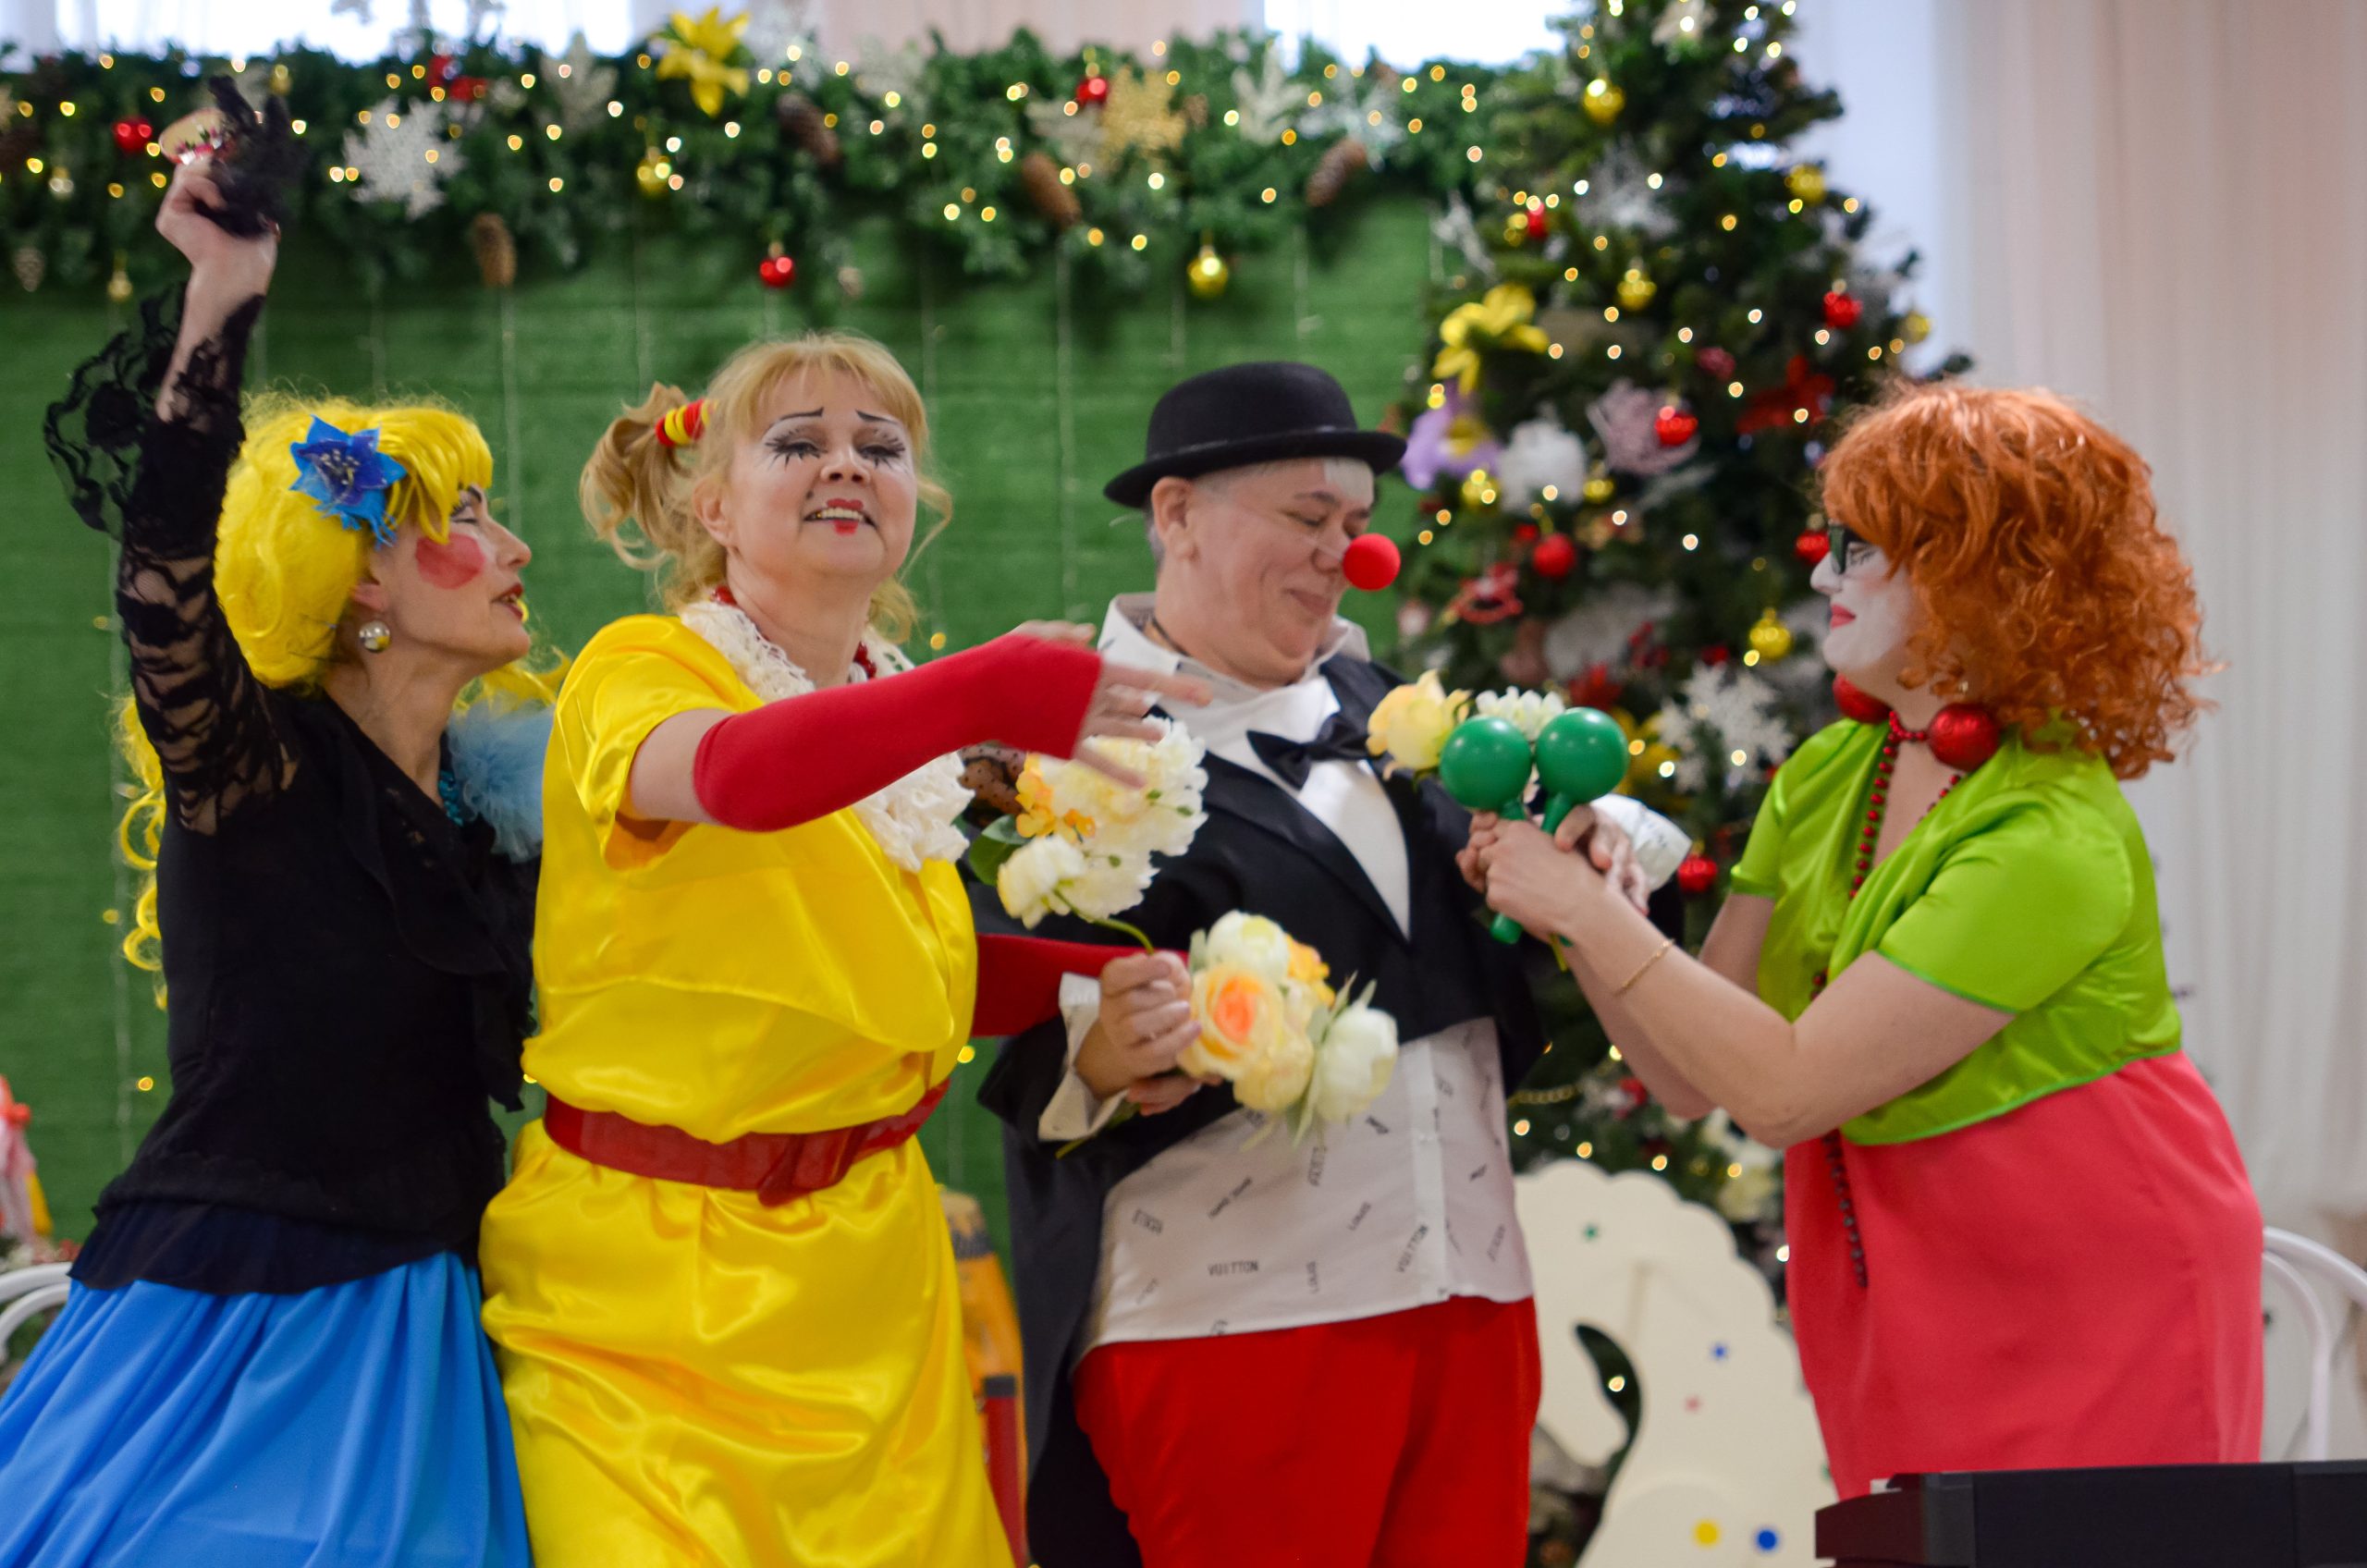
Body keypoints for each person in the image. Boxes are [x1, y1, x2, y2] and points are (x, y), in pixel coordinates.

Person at [473, 333, 1205, 1567]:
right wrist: (979, 692)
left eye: (881, 445)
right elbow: (736, 777)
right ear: (713, 506)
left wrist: (1099, 987)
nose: (848, 465)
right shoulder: (642, 669)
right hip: (643, 1284)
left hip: (876, 1277)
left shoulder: (890, 701)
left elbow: (902, 976)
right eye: (797, 442)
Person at [1472, 383, 2263, 1498]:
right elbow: (1690, 1078)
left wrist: (1585, 914)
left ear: (1975, 569)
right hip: (1898, 1288)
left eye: (1857, 548)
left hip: (2092, 1299)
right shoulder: (1833, 770)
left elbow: (1786, 1093)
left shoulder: (2050, 834)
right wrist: (1596, 902)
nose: (1819, 577)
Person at [974, 361, 1693, 1568]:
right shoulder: (1064, 752)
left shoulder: (1411, 724)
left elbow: (1591, 859)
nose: (1343, 556)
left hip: (1474, 1307)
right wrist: (1105, 1054)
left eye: (1355, 522)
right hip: (1235, 1321)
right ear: (1177, 515)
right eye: (1308, 518)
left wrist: (1607, 836)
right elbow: (1011, 1028)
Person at [1, 117, 549, 1567]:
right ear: (362, 575)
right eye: (467, 519)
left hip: (430, 1327)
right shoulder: (252, 769)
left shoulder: (502, 819)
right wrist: (224, 295)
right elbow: (163, 578)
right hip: (230, 1324)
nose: (515, 550)